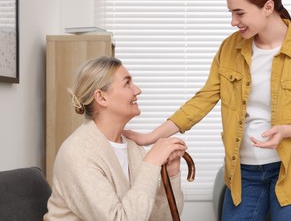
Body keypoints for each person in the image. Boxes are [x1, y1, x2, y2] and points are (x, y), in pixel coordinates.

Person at [125, 0, 291, 221]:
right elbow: (202, 100)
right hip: (244, 174)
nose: (233, 21)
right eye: (231, 13)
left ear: (268, 7)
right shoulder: (230, 49)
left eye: (239, 13)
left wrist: (286, 131)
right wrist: (151, 136)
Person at [44, 56, 187, 221]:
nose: (137, 90)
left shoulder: (132, 147)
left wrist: (170, 174)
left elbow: (159, 218)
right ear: (101, 98)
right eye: (127, 83)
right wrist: (152, 162)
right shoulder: (78, 153)